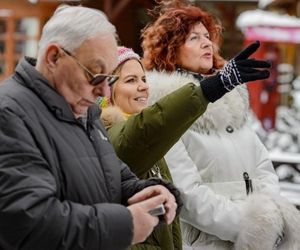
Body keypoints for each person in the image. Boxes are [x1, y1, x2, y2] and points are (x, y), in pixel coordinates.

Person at [0, 5, 183, 250]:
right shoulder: (10, 115)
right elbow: (29, 223)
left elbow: (112, 179)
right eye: (95, 75)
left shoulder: (83, 110)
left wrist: (150, 192)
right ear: (54, 57)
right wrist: (125, 224)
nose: (104, 92)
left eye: (108, 79)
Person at [141, 1, 300, 249]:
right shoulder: (165, 112)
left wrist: (267, 218)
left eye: (207, 36)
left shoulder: (231, 104)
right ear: (169, 49)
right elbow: (188, 195)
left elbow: (264, 169)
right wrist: (251, 227)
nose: (207, 43)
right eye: (194, 38)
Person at [100, 40, 272, 249]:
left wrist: (268, 214)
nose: (143, 86)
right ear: (106, 91)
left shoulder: (149, 131)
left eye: (144, 78)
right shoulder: (111, 134)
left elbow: (264, 168)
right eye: (130, 80)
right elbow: (145, 131)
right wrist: (213, 88)